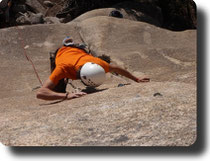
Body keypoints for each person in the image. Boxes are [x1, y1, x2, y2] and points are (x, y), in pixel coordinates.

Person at [36, 37, 150, 101]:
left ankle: (72, 44)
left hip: (80, 51)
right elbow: (41, 93)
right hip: (60, 52)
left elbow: (117, 68)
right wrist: (65, 95)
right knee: (57, 91)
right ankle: (67, 44)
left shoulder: (97, 64)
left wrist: (136, 79)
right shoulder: (62, 69)